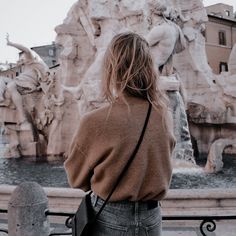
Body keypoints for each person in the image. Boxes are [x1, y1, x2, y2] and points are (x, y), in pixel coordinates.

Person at [64, 32, 176, 235]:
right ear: (149, 69)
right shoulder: (163, 114)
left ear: (112, 69)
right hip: (151, 218)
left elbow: (76, 179)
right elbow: (165, 164)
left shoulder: (95, 120)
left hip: (110, 216)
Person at [3, 34, 48, 130]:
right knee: (2, 81)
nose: (19, 60)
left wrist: (10, 43)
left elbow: (26, 49)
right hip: (20, 81)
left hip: (28, 84)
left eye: (21, 57)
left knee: (11, 86)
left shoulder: (31, 59)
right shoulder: (24, 67)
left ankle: (21, 114)